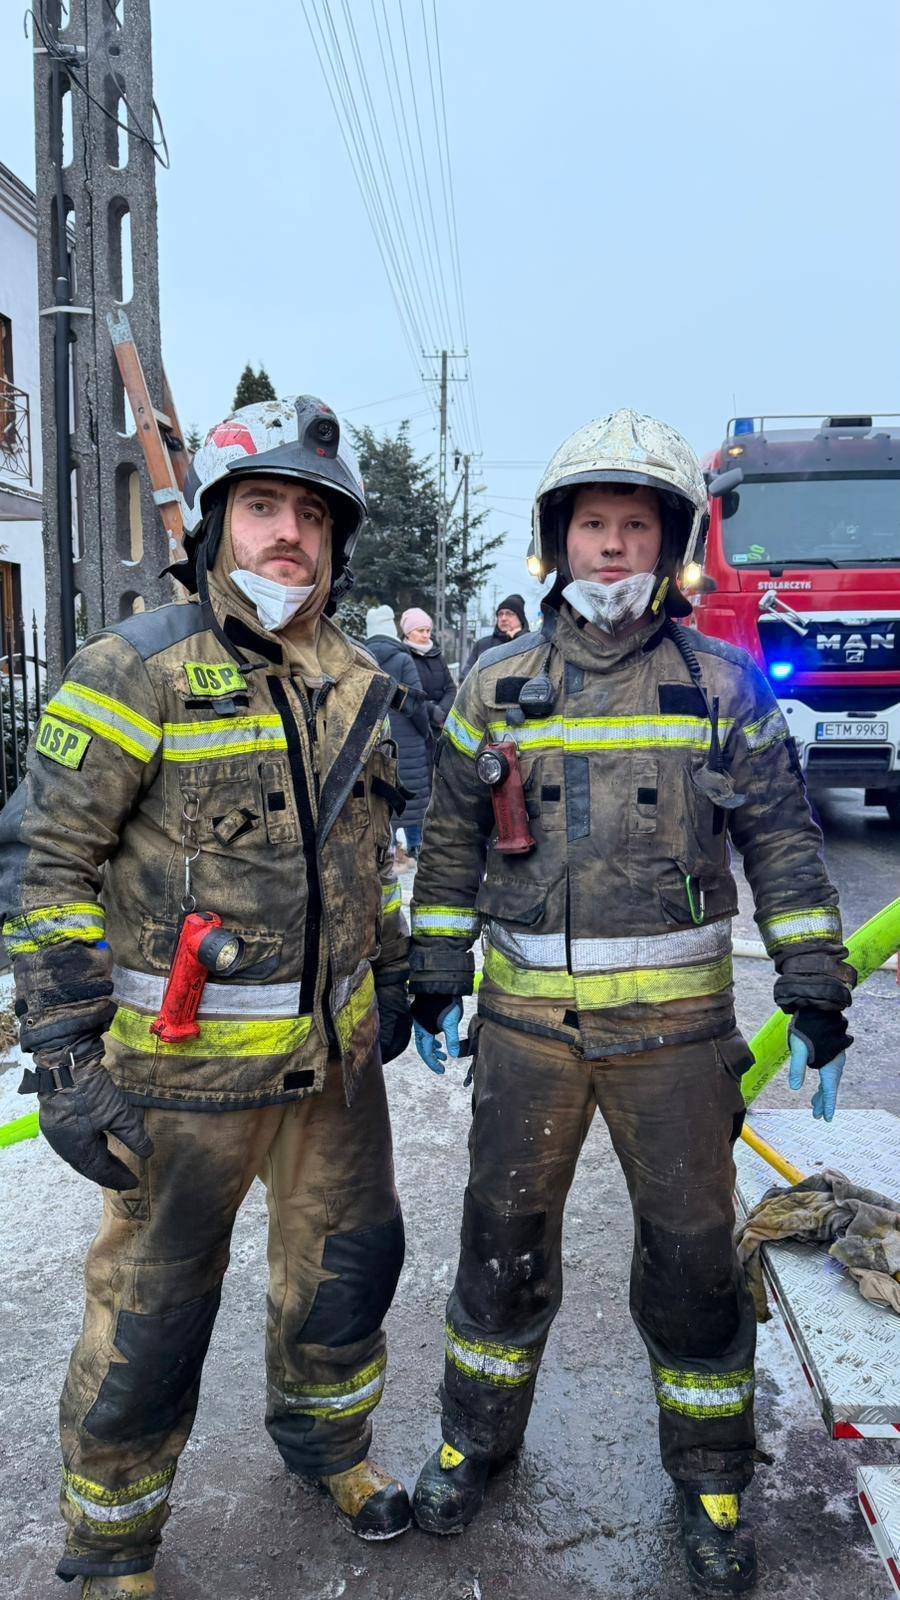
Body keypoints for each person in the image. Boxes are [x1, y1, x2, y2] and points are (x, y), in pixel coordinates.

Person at [407, 409, 853, 1594]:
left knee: (696, 1260)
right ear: (558, 539)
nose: (613, 546)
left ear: (671, 543)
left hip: (677, 1044)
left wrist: (814, 984)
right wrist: (434, 967)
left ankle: (711, 1476)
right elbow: (447, 843)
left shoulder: (721, 685)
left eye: (637, 527)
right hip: (527, 1037)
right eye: (594, 525)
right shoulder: (493, 684)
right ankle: (473, 1442)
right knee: (500, 1245)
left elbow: (784, 845)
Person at [0, 395, 417, 1598]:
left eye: (313, 517)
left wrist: (390, 975)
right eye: (265, 507)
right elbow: (47, 862)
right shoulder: (135, 669)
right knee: (154, 1313)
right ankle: (114, 1539)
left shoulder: (359, 679)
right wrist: (65, 1053)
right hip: (182, 1080)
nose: (290, 534)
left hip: (333, 1073)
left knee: (347, 1272)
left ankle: (331, 1450)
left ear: (337, 541)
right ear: (217, 525)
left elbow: (370, 854)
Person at [364, 605, 431, 859]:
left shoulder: (362, 659)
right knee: (413, 793)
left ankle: (387, 847)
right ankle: (415, 846)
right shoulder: (403, 659)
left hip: (376, 738)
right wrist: (425, 732)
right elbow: (416, 703)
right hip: (408, 739)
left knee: (382, 792)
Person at [462, 593, 528, 675]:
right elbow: (466, 674)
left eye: (509, 614)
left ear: (520, 619)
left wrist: (520, 637)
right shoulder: (482, 644)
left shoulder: (532, 644)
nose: (503, 618)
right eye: (500, 614)